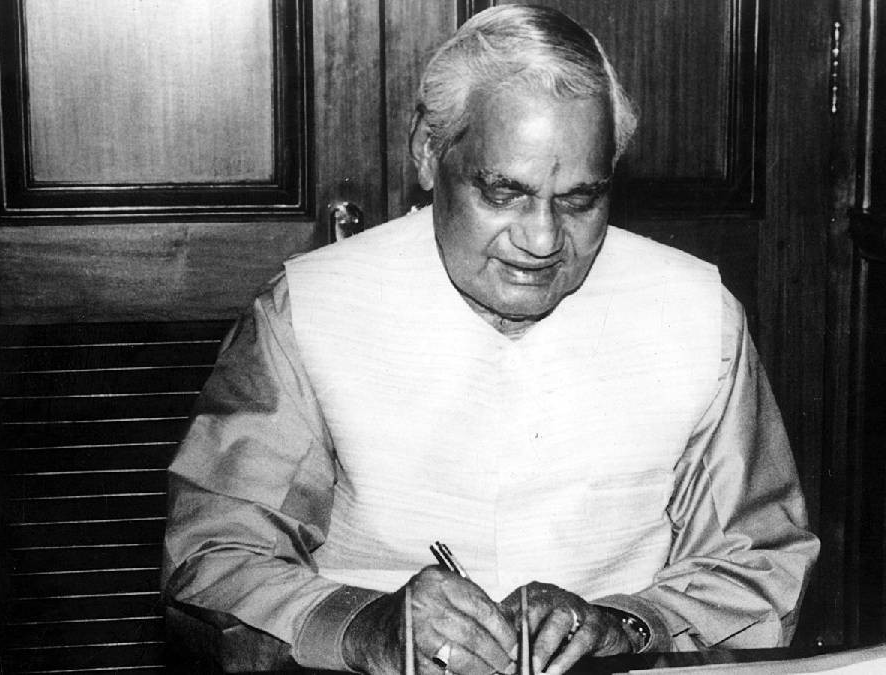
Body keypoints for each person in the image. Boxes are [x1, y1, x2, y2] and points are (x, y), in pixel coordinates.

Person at [162, 5, 818, 674]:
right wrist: (362, 626)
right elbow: (214, 565)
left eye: (580, 199)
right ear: (428, 152)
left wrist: (627, 627)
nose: (542, 239)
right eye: (504, 193)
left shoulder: (697, 315)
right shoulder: (306, 310)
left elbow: (759, 568)